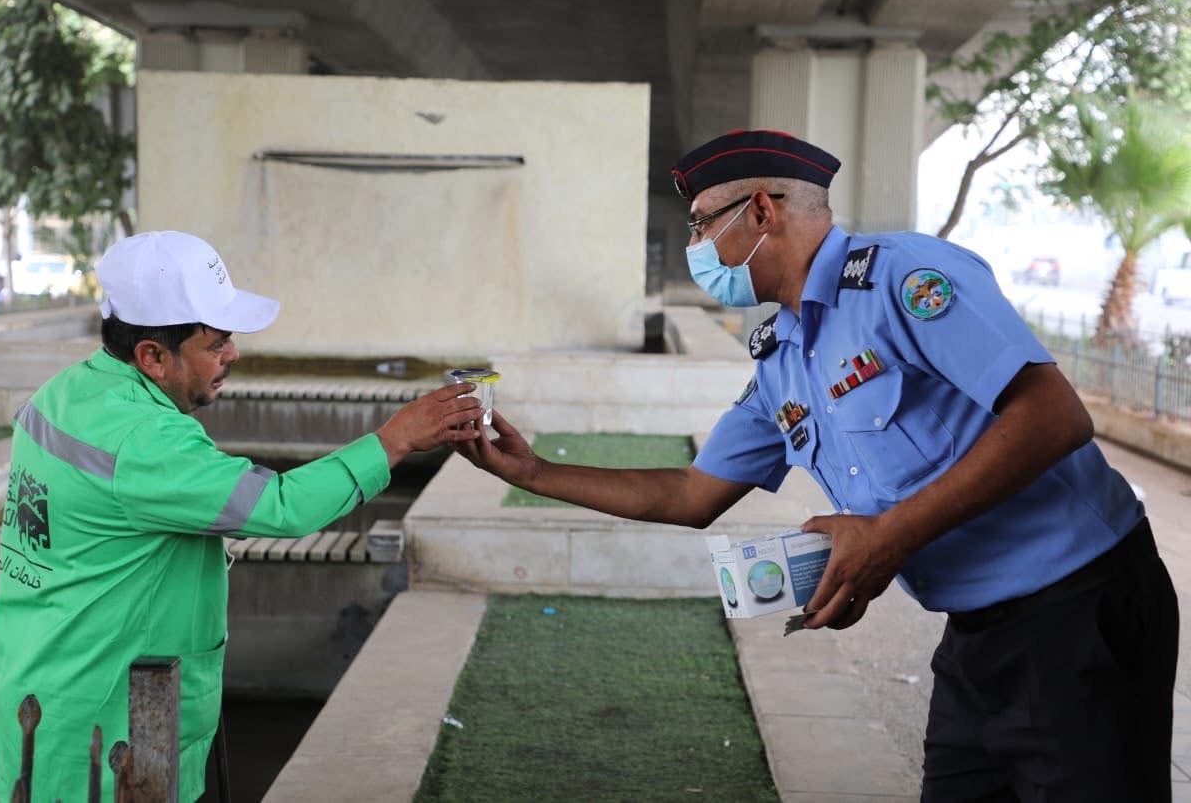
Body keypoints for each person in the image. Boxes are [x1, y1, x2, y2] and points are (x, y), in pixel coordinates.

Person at [458, 130, 1179, 801]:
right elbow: (690, 491)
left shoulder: (902, 278)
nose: (695, 246)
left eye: (702, 224)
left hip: (1081, 608)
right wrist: (534, 473)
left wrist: (886, 538)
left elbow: (1054, 415)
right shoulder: (782, 357)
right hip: (976, 637)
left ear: (761, 211)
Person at [0, 230, 485, 802]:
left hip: (38, 690)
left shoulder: (64, 393)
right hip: (104, 729)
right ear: (152, 356)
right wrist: (395, 440)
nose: (233, 356)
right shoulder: (145, 440)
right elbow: (282, 506)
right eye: (216, 343)